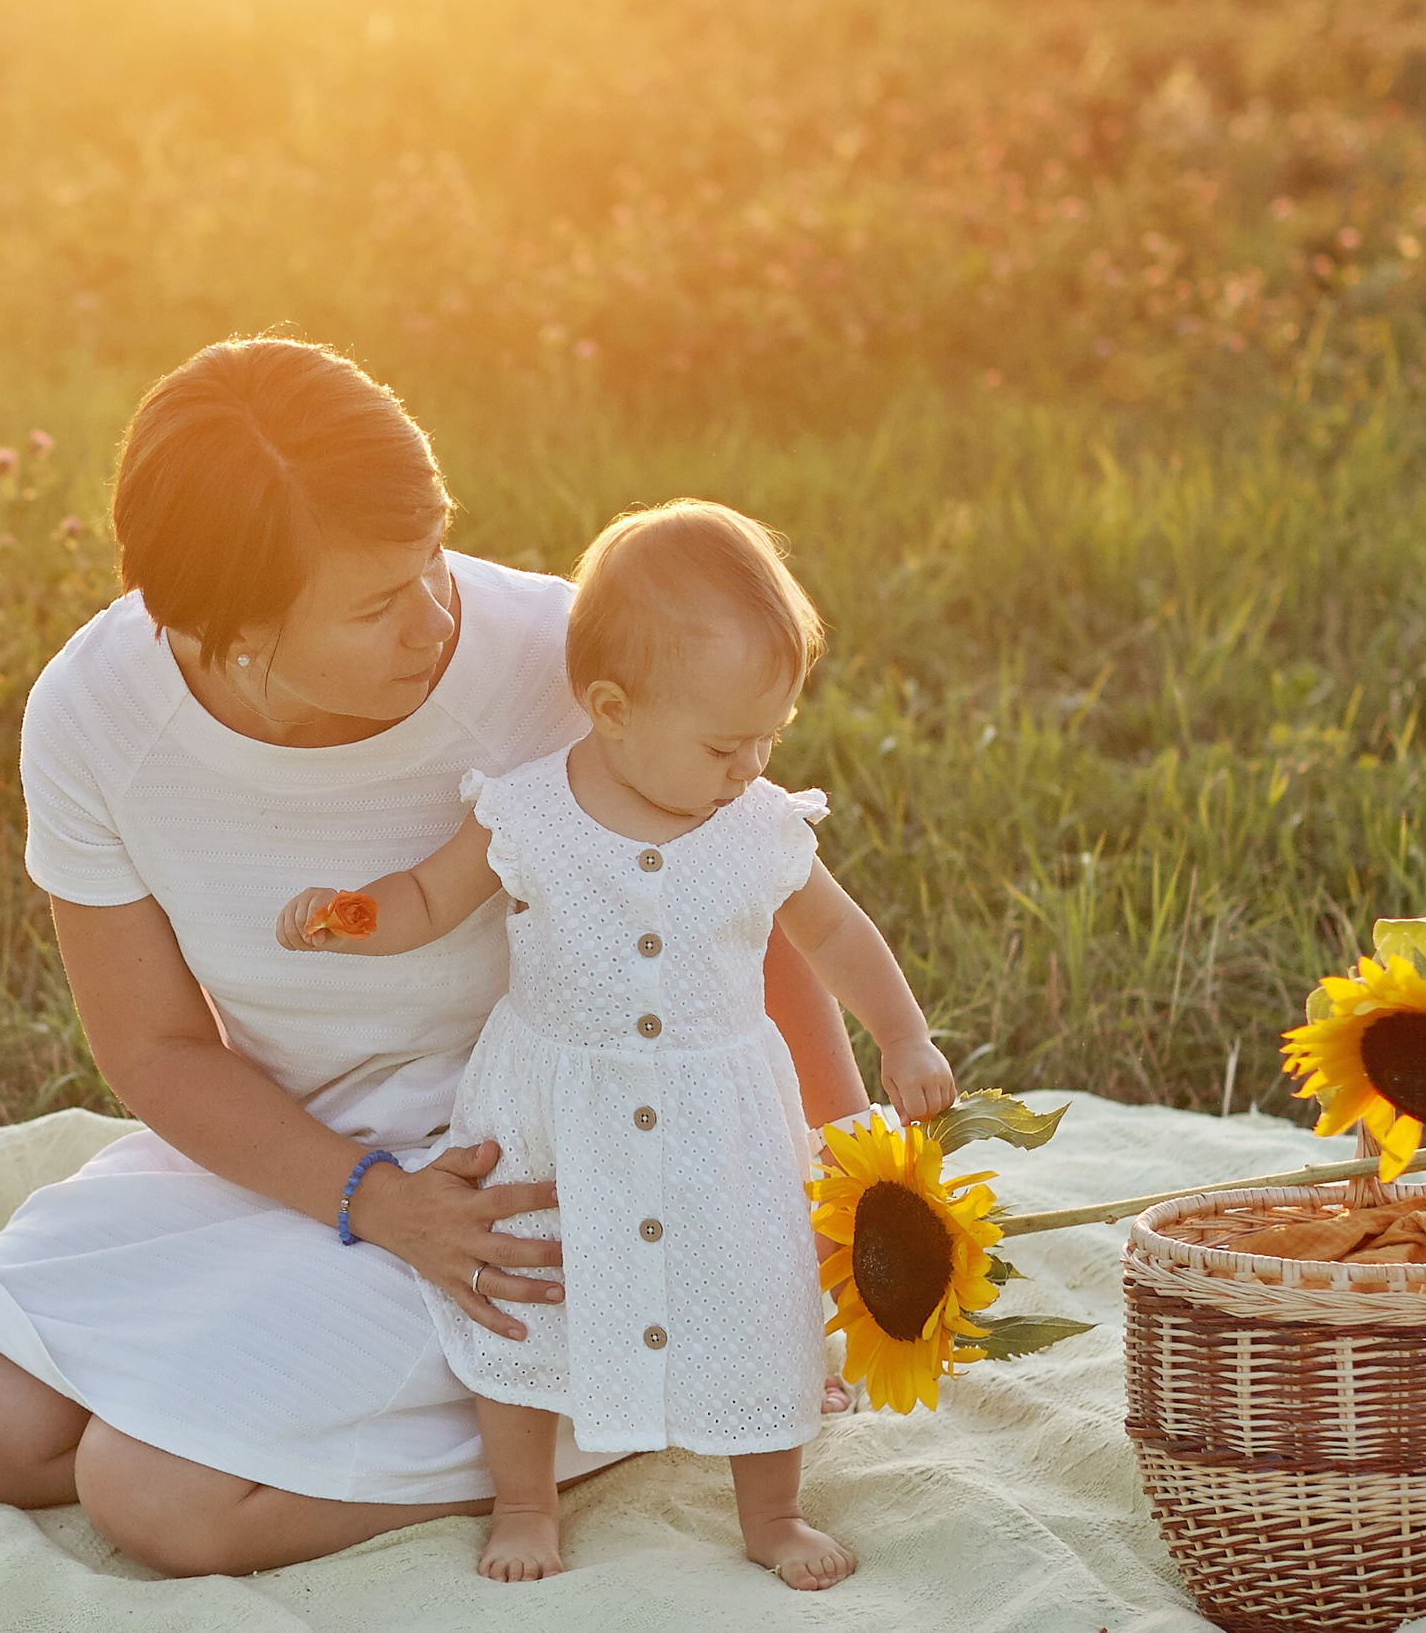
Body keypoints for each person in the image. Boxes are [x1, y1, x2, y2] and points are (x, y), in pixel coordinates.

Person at [0, 338, 873, 1576]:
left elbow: (750, 914)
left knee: (156, 1498)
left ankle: (610, 1412)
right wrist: (369, 1203)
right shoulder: (96, 719)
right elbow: (155, 1045)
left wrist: (838, 1201)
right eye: (374, 605)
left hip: (536, 1167)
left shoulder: (575, 666)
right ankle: (464, 1381)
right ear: (226, 634)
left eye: (431, 559)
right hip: (296, 1142)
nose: (435, 615)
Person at [275, 501, 958, 1590]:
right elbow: (426, 897)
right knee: (526, 1301)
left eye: (768, 740)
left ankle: (772, 1512)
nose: (751, 767)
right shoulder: (528, 815)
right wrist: (356, 917)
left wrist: (903, 1034)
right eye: (727, 744)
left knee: (755, 1296)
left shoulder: (759, 825)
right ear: (612, 710)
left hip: (718, 1115)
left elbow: (834, 932)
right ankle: (525, 1502)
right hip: (550, 1112)